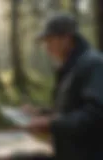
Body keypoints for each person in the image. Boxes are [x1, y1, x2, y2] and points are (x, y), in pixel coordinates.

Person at [22, 13, 103, 160]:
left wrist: (51, 124)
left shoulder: (93, 64)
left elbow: (96, 115)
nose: (47, 47)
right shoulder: (72, 67)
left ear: (66, 38)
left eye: (49, 40)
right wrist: (41, 112)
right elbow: (70, 108)